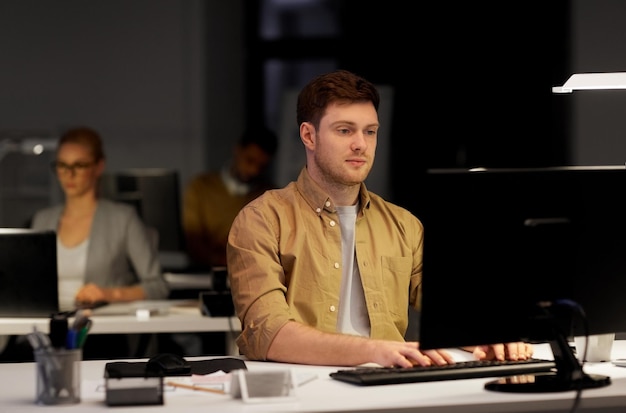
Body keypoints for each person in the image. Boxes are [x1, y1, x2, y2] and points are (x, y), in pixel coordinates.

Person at [226, 69, 534, 368]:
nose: (361, 143)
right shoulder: (261, 220)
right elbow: (268, 334)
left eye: (370, 131)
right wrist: (373, 351)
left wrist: (490, 335)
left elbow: (450, 312)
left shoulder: (404, 225)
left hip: (387, 386)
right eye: (345, 130)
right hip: (303, 394)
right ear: (309, 135)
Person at [29, 127, 170, 358]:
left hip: (100, 334)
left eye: (79, 165)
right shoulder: (43, 219)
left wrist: (108, 293)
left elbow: (157, 285)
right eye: (62, 166)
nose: (69, 174)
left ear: (98, 167)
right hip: (47, 332)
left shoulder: (122, 218)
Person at [182, 126, 279, 270]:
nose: (254, 170)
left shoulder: (270, 195)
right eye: (249, 160)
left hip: (252, 275)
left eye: (262, 166)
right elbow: (192, 241)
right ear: (238, 150)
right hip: (205, 274)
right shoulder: (200, 188)